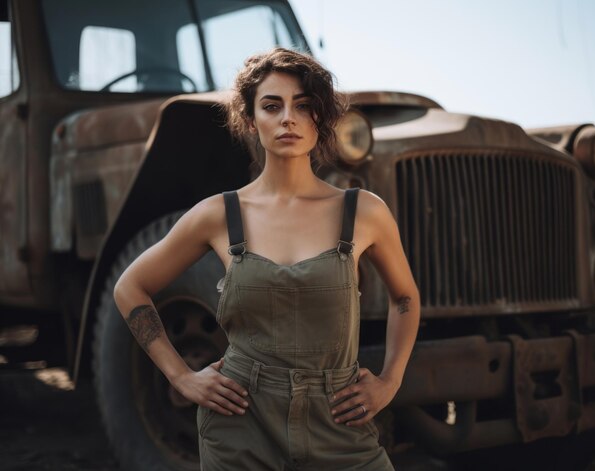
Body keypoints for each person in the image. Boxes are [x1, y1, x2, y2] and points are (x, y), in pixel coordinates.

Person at [113, 47, 420, 470]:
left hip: (338, 421)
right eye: (272, 105)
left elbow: (405, 297)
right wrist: (182, 377)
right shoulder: (218, 215)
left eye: (304, 105)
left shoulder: (364, 211)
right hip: (241, 425)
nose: (287, 118)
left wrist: (390, 381)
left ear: (321, 119)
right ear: (252, 118)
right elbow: (130, 287)